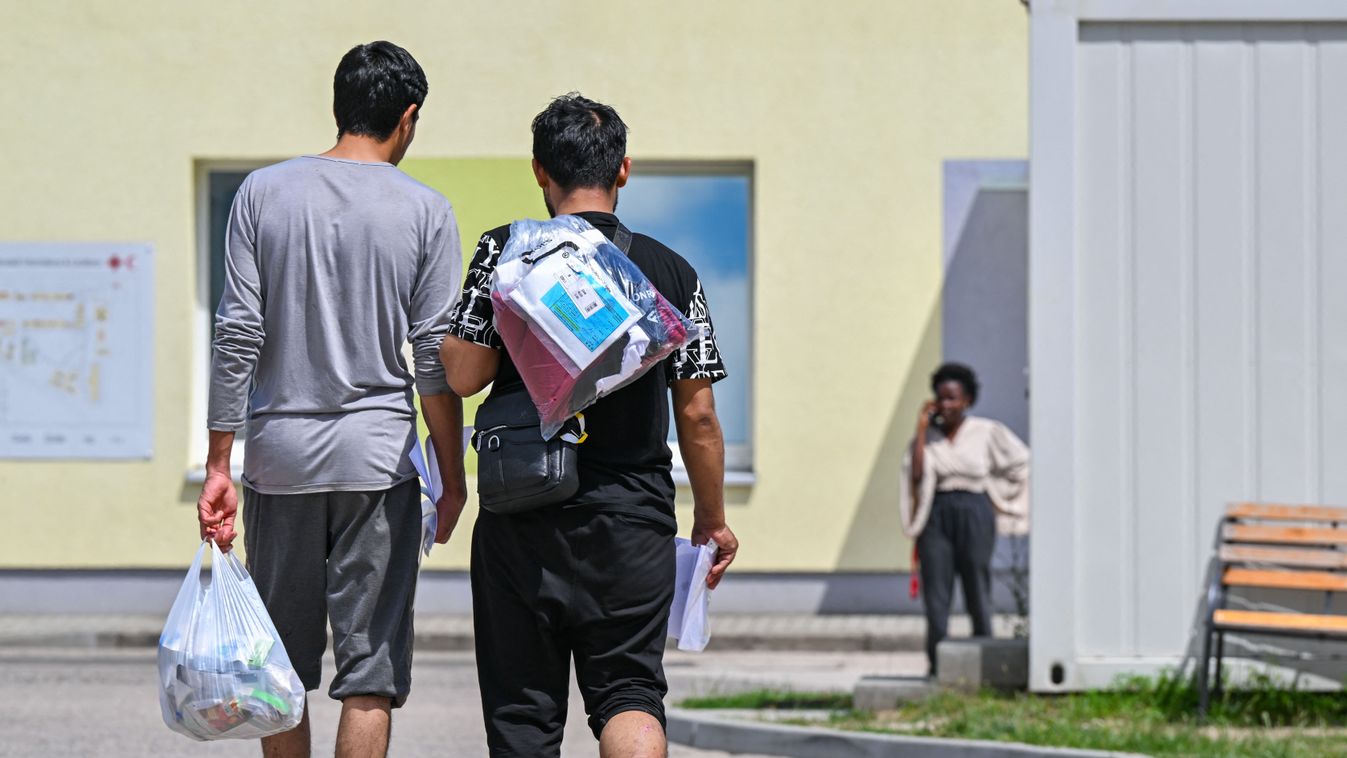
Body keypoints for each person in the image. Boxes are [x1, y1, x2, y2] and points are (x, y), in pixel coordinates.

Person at [440, 93, 740, 758]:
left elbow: (461, 376)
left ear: (539, 171)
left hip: (521, 516)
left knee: (523, 713)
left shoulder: (505, 250)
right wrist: (711, 519)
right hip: (631, 522)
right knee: (629, 696)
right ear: (623, 170)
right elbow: (697, 415)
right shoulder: (671, 272)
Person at [196, 41, 468, 758]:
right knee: (369, 675)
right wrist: (452, 472)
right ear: (407, 118)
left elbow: (236, 334)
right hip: (378, 464)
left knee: (275, 668)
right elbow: (434, 357)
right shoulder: (427, 210)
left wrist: (220, 461)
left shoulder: (263, 192)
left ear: (339, 106)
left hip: (279, 460)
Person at [900, 362, 1028, 676]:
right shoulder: (927, 438)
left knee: (976, 588)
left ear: (967, 400)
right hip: (936, 515)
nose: (946, 405)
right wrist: (920, 428)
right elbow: (915, 476)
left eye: (952, 398)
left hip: (974, 511)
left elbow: (1022, 463)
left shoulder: (986, 432)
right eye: (940, 398)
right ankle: (937, 665)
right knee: (937, 595)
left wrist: (995, 494)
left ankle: (987, 665)